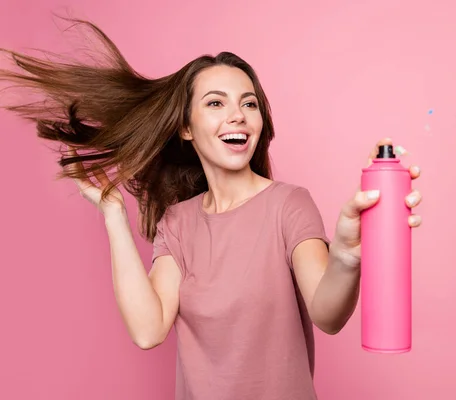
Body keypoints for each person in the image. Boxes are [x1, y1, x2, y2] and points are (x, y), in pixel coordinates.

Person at [0, 18, 423, 400]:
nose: (237, 116)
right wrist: (112, 212)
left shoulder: (288, 204)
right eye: (216, 103)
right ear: (186, 127)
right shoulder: (178, 222)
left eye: (249, 103)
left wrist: (347, 256)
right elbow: (148, 331)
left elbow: (328, 315)